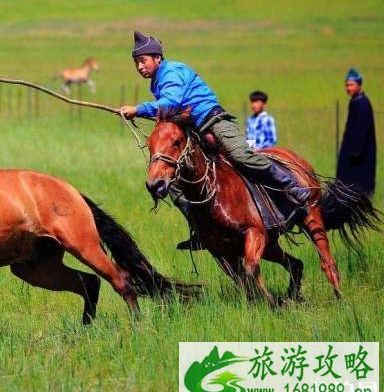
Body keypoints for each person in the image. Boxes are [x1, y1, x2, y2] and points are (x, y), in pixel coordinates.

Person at [119, 32, 310, 250]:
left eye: (142, 61)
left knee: (241, 155)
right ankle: (200, 229)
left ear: (158, 58)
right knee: (174, 181)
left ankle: (292, 187)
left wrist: (137, 109)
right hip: (194, 131)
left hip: (213, 120)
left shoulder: (171, 72)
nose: (140, 67)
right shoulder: (156, 83)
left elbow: (170, 103)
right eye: (136, 63)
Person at [336, 68, 376, 195]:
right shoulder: (355, 101)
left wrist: (355, 152)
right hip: (352, 150)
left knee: (358, 184)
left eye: (351, 85)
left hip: (360, 152)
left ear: (359, 85)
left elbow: (362, 130)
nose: (348, 88)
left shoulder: (363, 103)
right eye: (347, 85)